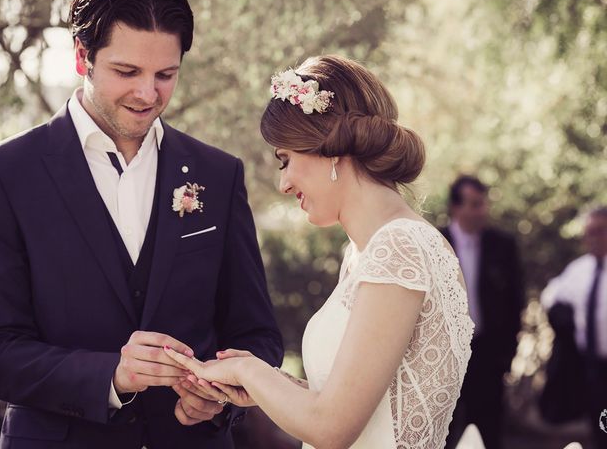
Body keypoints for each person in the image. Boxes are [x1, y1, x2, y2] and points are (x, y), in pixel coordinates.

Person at [0, 0, 283, 447]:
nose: (147, 94)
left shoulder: (218, 175)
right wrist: (111, 374)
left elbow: (257, 335)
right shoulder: (0, 176)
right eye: (127, 72)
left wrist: (223, 393)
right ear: (81, 57)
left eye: (166, 75)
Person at [163, 55, 474, 448]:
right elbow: (366, 403)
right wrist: (265, 383)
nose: (285, 184)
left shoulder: (399, 247)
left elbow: (332, 428)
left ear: (331, 149)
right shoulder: (367, 253)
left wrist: (248, 371)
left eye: (286, 160)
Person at [441, 176, 524, 449]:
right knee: (444, 431)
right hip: (445, 355)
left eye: (483, 203)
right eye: (475, 204)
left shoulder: (502, 245)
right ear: (456, 207)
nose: (482, 210)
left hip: (488, 354)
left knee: (489, 429)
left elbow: (515, 301)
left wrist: (508, 353)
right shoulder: (437, 241)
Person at [541, 207, 607, 448]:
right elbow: (551, 294)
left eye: (600, 231)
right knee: (600, 428)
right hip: (592, 368)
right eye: (589, 233)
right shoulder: (579, 270)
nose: (593, 238)